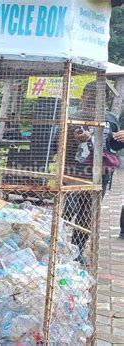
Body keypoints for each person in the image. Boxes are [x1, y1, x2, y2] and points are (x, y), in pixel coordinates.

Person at [64, 81, 124, 262]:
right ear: (83, 98)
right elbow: (61, 145)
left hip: (100, 175)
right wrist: (76, 139)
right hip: (73, 173)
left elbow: (111, 146)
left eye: (99, 100)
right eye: (90, 99)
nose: (94, 103)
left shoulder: (111, 118)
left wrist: (120, 139)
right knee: (67, 211)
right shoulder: (73, 116)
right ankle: (55, 247)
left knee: (86, 215)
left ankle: (77, 252)